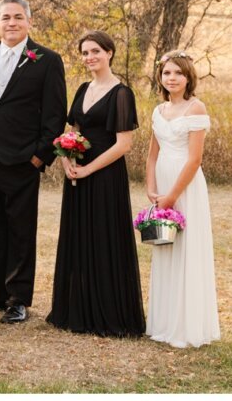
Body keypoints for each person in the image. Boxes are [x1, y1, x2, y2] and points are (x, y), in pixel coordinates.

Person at [0, 0, 66, 324]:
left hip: (23, 160)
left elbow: (55, 115)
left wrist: (40, 157)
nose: (11, 22)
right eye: (6, 17)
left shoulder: (47, 60)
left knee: (21, 231)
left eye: (18, 17)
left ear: (29, 21)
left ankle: (18, 298)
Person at [46, 30, 145, 336]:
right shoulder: (82, 89)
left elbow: (123, 145)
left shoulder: (121, 93)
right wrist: (67, 159)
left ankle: (107, 312)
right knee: (78, 237)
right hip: (77, 174)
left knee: (103, 238)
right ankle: (76, 309)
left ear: (109, 53)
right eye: (85, 53)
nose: (90, 58)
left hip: (105, 176)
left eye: (95, 52)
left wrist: (89, 170)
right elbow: (71, 131)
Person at [145, 51, 220, 347]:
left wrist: (172, 196)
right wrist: (153, 189)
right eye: (166, 73)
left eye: (178, 73)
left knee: (186, 248)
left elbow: (194, 159)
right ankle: (163, 321)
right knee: (164, 247)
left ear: (188, 77)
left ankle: (186, 327)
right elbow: (151, 156)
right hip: (161, 183)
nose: (171, 78)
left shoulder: (195, 108)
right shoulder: (158, 110)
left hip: (184, 185)